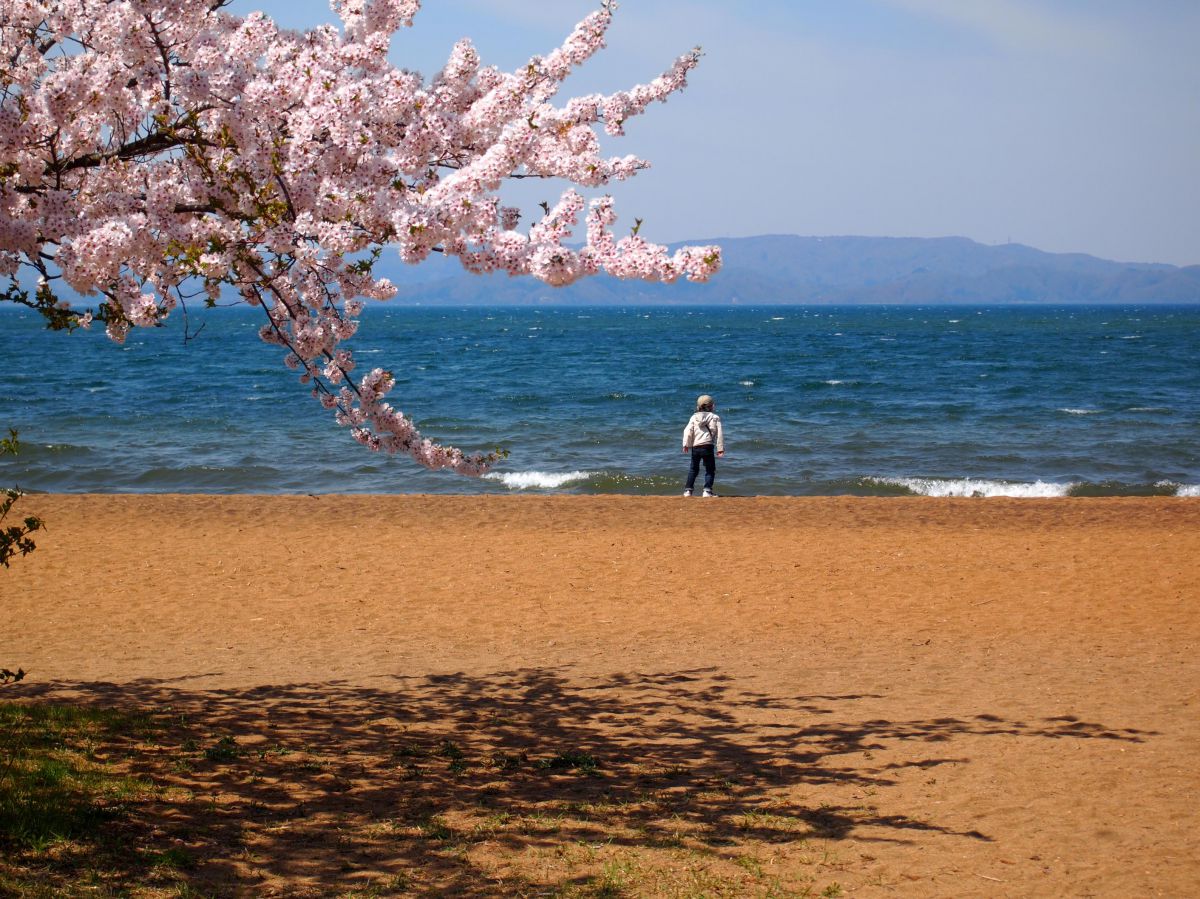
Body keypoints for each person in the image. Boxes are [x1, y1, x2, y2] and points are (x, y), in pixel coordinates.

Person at [681, 394, 724, 497]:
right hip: (707, 446)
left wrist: (686, 444)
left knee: (693, 469)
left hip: (696, 447)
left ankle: (688, 491)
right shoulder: (715, 417)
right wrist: (720, 448)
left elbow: (688, 431)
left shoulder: (694, 417)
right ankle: (707, 491)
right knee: (710, 469)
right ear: (711, 406)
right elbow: (719, 434)